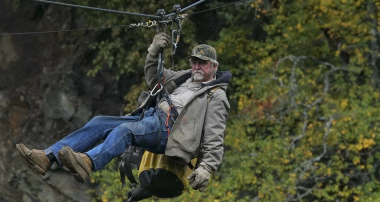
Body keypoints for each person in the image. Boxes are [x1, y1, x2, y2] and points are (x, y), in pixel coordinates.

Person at [16, 32, 231, 191]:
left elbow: (214, 137)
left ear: (214, 66)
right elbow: (154, 77)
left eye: (202, 64)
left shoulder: (216, 96)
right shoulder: (184, 77)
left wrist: (206, 168)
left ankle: (89, 162)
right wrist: (153, 51)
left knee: (125, 131)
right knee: (100, 122)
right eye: (194, 62)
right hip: (150, 117)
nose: (197, 67)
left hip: (172, 133)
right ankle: (48, 156)